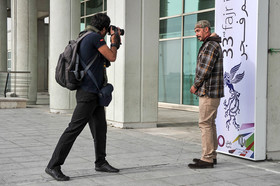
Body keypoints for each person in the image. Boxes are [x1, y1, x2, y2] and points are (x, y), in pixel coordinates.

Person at [45, 13, 122, 181]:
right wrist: (115, 42)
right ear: (103, 29)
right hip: (88, 94)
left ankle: (100, 162)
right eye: (106, 31)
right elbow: (112, 56)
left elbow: (101, 60)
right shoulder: (95, 37)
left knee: (100, 129)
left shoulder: (84, 36)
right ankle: (53, 165)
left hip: (94, 93)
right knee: (73, 129)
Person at [188, 20, 224, 169]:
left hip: (209, 92)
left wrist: (195, 85)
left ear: (206, 30)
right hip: (212, 92)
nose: (196, 34)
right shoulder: (212, 44)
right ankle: (211, 155)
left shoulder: (210, 45)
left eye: (198, 31)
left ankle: (207, 158)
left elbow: (205, 69)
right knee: (210, 123)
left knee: (204, 124)